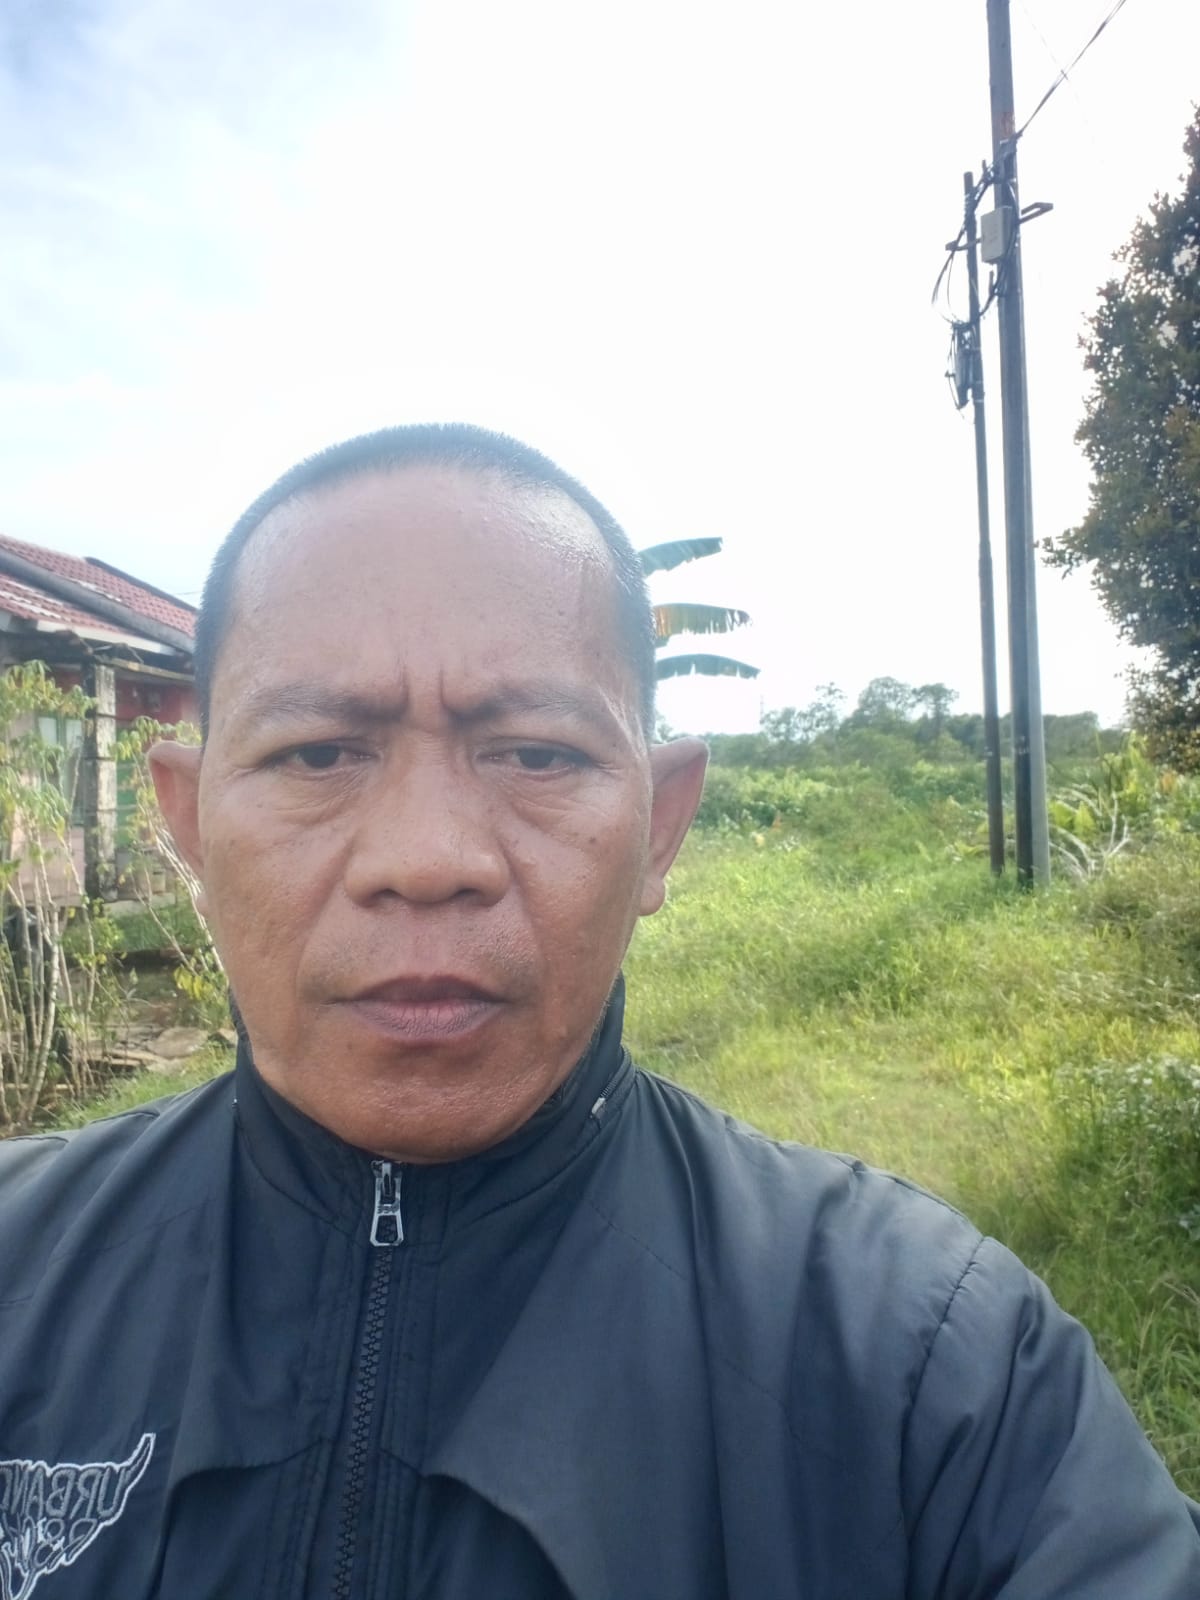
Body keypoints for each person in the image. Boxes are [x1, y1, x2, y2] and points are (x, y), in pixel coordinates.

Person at [0, 423, 1197, 1600]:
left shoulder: (935, 1370)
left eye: (534, 754)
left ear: (660, 825)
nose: (427, 858)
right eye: (318, 755)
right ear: (189, 823)